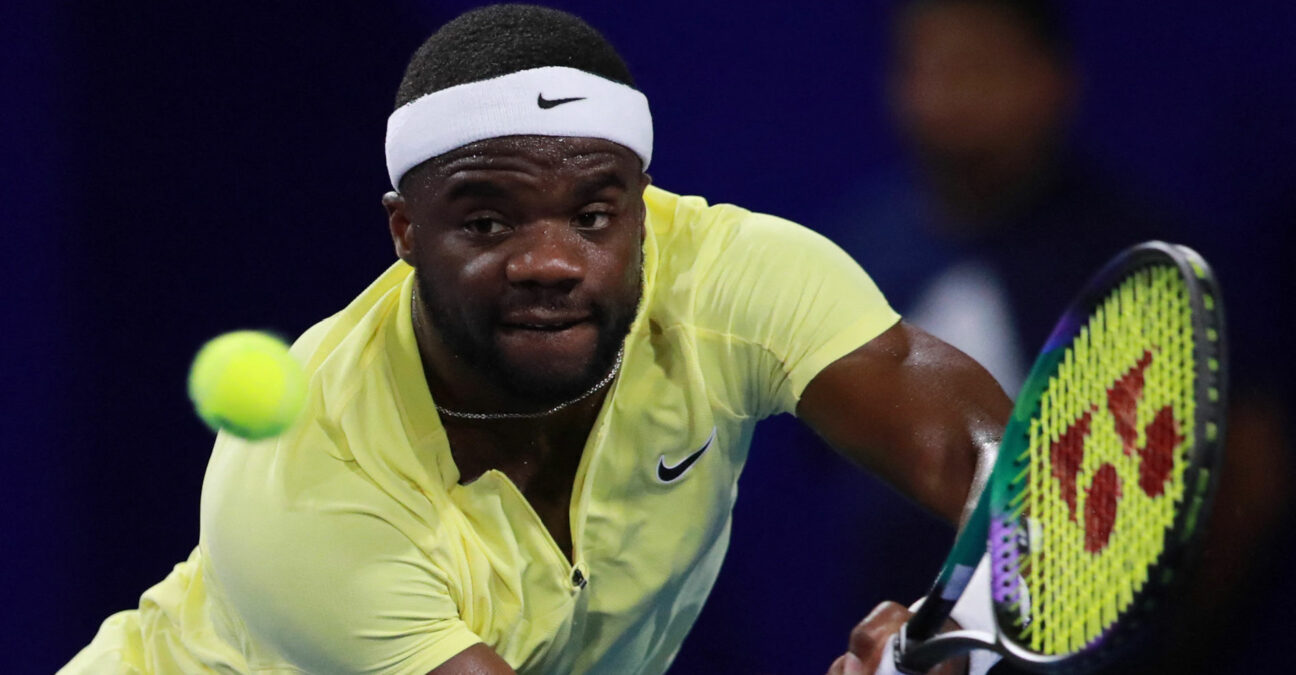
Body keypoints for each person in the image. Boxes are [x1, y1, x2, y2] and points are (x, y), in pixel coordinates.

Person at [62, 5, 1010, 674]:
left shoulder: (732, 279)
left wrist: (967, 615)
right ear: (404, 233)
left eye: (594, 214)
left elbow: (995, 469)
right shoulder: (307, 482)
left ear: (641, 212)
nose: (551, 261)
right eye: (487, 223)